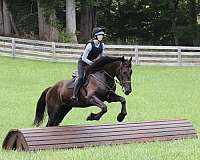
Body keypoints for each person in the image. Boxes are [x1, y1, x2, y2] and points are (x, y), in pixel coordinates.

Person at [71, 27, 106, 101]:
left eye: (102, 35)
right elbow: (84, 58)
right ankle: (74, 94)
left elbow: (101, 56)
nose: (101, 37)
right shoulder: (90, 45)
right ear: (95, 36)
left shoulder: (102, 45)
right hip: (83, 63)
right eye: (100, 35)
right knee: (81, 78)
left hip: (93, 64)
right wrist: (92, 63)